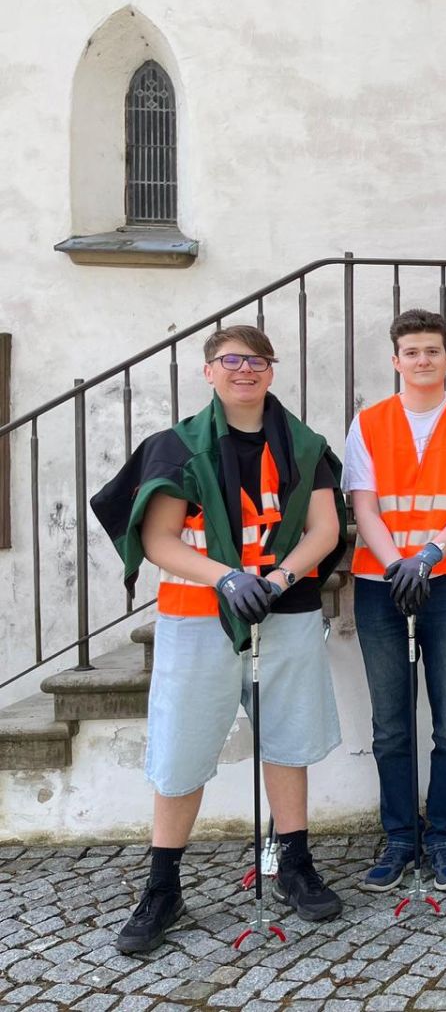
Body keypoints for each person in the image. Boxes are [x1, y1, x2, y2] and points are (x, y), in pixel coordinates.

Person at [90, 325, 347, 954]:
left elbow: (324, 527)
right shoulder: (175, 448)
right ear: (209, 372)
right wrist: (227, 578)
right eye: (230, 361)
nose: (244, 371)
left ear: (271, 371)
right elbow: (160, 540)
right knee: (181, 749)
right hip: (196, 618)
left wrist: (279, 578)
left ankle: (295, 866)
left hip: (285, 613)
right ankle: (162, 887)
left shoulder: (305, 445)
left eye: (256, 361)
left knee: (287, 738)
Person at [345, 309, 446, 892]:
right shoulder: (368, 423)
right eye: (411, 352)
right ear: (396, 360)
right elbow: (363, 507)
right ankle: (399, 838)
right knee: (390, 725)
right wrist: (395, 565)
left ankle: (444, 836)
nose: (422, 361)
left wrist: (429, 557)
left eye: (432, 351)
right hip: (379, 585)